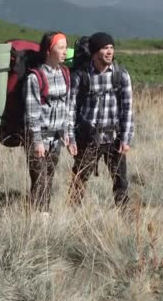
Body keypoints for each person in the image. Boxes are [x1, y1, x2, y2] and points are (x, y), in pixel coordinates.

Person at [67, 32, 134, 208]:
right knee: (79, 180)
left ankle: (126, 221)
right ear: (95, 52)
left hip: (114, 138)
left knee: (121, 183)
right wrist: (71, 138)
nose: (109, 51)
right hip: (88, 138)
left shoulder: (122, 75)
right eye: (105, 48)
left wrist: (126, 138)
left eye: (111, 47)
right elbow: (70, 109)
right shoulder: (81, 76)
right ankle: (72, 219)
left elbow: (128, 109)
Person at [24, 31, 70, 214]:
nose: (65, 51)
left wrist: (66, 132)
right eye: (61, 47)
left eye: (66, 47)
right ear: (48, 51)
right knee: (40, 179)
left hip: (56, 138)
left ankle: (41, 214)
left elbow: (66, 106)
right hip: (40, 138)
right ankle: (41, 219)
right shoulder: (35, 78)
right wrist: (37, 141)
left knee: (48, 178)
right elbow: (32, 112)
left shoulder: (65, 74)